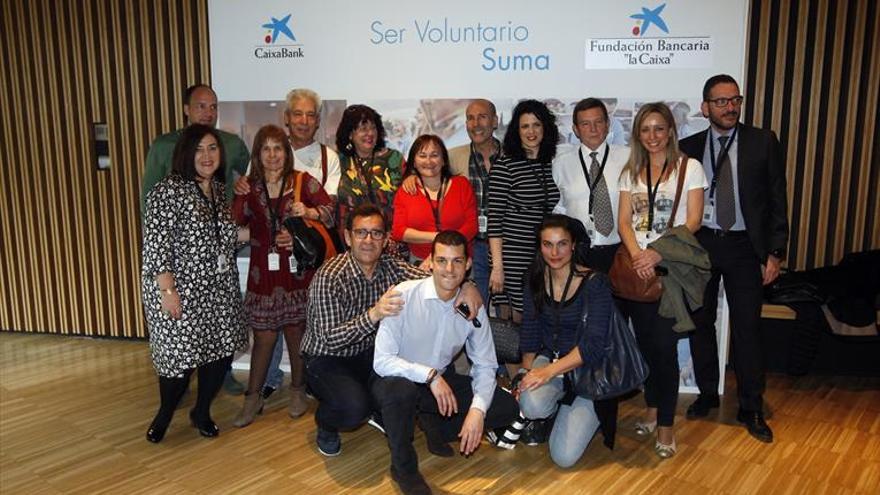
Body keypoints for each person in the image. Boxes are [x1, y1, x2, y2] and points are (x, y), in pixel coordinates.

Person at [300, 204, 483, 457]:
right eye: (361, 233)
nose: (368, 240)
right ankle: (327, 423)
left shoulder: (391, 266)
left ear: (386, 239)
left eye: (376, 233)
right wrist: (374, 314)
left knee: (403, 377)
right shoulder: (329, 276)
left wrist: (467, 285)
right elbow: (329, 340)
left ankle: (378, 407)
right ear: (347, 237)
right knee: (353, 408)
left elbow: (439, 279)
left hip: (370, 354)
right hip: (328, 358)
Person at [682, 74, 789, 443]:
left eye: (735, 100)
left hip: (746, 248)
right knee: (700, 322)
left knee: (748, 329)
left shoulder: (762, 142)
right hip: (703, 244)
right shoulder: (689, 147)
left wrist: (774, 252)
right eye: (721, 101)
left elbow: (777, 199)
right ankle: (708, 394)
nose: (730, 107)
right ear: (705, 107)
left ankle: (751, 406)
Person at [372, 230, 519, 494]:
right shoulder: (403, 295)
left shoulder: (472, 307)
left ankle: (434, 423)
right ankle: (404, 468)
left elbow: (485, 365)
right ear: (430, 262)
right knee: (400, 391)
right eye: (441, 261)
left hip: (436, 383)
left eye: (457, 261)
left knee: (504, 407)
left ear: (468, 264)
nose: (449, 269)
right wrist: (429, 375)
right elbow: (382, 361)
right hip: (397, 380)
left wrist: (477, 411)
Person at [141, 124, 247, 443]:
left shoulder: (216, 188)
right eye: (199, 149)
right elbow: (156, 245)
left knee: (219, 355)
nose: (207, 155)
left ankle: (201, 412)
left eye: (212, 148)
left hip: (217, 290)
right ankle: (164, 414)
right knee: (179, 361)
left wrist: (268, 233)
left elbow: (226, 235)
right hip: (178, 291)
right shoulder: (168, 190)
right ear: (186, 153)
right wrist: (168, 291)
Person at [617, 102, 707, 458]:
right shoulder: (632, 170)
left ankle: (667, 428)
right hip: (638, 271)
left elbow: (694, 220)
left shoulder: (690, 167)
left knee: (665, 351)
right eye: (645, 129)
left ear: (670, 130)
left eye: (659, 128)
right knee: (647, 347)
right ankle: (652, 412)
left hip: (669, 270)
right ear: (638, 134)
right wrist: (638, 256)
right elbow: (625, 221)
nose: (652, 136)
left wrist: (656, 253)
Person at [230, 125, 334, 426]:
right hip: (263, 273)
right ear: (258, 154)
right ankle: (253, 397)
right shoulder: (249, 186)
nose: (273, 155)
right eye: (266, 149)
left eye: (278, 148)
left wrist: (309, 213)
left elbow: (330, 210)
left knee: (295, 332)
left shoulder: (302, 181)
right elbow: (233, 222)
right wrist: (238, 194)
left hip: (296, 272)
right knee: (263, 337)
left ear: (286, 153)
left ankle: (298, 390)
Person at [518, 215, 617, 468]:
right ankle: (556, 405)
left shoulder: (596, 283)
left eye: (562, 244)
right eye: (547, 244)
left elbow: (594, 345)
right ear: (539, 246)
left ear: (574, 245)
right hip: (551, 359)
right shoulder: (534, 278)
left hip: (588, 370)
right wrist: (527, 373)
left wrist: (547, 372)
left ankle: (582, 412)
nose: (554, 252)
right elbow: (530, 330)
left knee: (563, 458)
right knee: (529, 403)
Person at [262, 88, 342, 400]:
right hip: (274, 248)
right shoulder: (269, 151)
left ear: (318, 120)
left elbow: (332, 209)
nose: (304, 120)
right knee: (272, 314)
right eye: (298, 114)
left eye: (310, 115)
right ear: (286, 118)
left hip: (311, 253)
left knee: (310, 317)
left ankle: (311, 379)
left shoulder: (328, 157)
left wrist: (308, 211)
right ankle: (270, 377)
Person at [402, 99, 501, 305]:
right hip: (472, 246)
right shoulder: (455, 156)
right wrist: (413, 176)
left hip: (505, 243)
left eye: (482, 117)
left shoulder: (511, 156)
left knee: (509, 304)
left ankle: (505, 338)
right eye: (470, 118)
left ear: (495, 121)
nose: (476, 123)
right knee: (473, 303)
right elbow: (431, 170)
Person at [487, 99, 561, 321]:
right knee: (520, 322)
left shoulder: (553, 163)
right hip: (512, 257)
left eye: (536, 125)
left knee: (541, 317)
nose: (531, 131)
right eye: (525, 126)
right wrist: (498, 267)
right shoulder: (505, 166)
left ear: (545, 127)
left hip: (545, 254)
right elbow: (495, 221)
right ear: (516, 131)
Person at [552, 98, 629, 273]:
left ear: (608, 125)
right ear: (575, 130)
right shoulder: (561, 163)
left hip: (619, 251)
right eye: (585, 124)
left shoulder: (628, 158)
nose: (593, 129)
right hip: (578, 254)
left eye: (598, 122)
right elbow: (558, 209)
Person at [391, 134, 478, 265]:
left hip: (457, 261)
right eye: (422, 156)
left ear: (443, 160)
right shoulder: (406, 191)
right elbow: (398, 231)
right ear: (414, 162)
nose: (428, 161)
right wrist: (437, 237)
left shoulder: (461, 185)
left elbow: (472, 226)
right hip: (420, 263)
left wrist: (444, 247)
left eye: (434, 155)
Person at [335, 104, 406, 254]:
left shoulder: (394, 159)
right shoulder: (338, 161)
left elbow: (407, 200)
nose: (369, 134)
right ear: (350, 134)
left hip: (391, 244)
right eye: (363, 129)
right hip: (351, 245)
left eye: (373, 128)